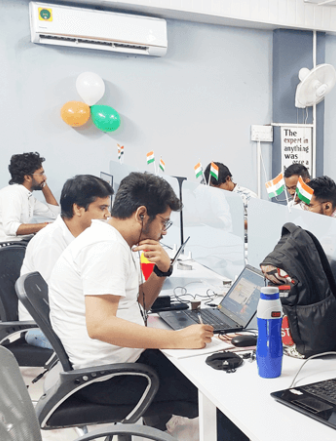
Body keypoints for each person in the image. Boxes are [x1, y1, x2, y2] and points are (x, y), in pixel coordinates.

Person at [49, 172, 213, 428]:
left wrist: (161, 270)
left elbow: (139, 303)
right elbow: (100, 326)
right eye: (163, 222)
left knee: (195, 360)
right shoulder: (106, 247)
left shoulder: (111, 240)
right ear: (141, 214)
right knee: (212, 385)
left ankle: (155, 427)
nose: (164, 232)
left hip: (115, 364)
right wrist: (178, 338)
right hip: (110, 378)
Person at [19, 175, 114, 348]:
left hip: (69, 319)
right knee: (115, 343)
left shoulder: (84, 236)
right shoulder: (49, 242)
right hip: (43, 328)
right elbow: (58, 301)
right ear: (78, 208)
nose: (107, 214)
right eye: (102, 208)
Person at [0, 152, 60, 242]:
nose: (45, 177)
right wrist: (45, 226)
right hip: (6, 249)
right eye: (41, 174)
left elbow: (54, 214)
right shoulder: (11, 194)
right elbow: (10, 227)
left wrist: (43, 183)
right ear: (28, 177)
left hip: (18, 245)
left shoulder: (27, 196)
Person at [204, 161, 257, 231]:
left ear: (228, 179)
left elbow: (257, 223)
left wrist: (229, 222)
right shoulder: (213, 197)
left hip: (242, 238)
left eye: (218, 187)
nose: (215, 191)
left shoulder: (248, 196)